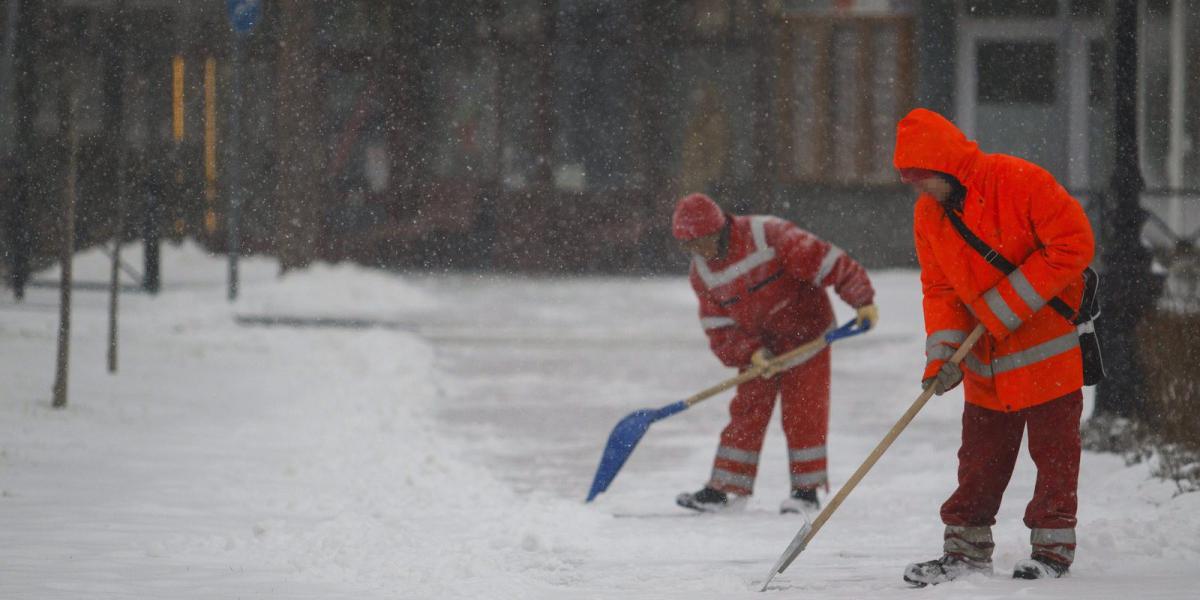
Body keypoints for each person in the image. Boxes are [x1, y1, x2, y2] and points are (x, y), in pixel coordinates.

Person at [892, 108, 1095, 584]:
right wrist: (942, 356)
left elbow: (1073, 243)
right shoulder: (930, 215)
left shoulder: (1018, 180)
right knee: (979, 458)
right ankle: (963, 550)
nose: (919, 190)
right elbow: (940, 289)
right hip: (984, 360)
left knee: (1055, 455)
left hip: (1047, 351)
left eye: (922, 179)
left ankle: (1052, 551)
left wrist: (1001, 309)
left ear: (945, 167)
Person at [671, 193, 878, 515]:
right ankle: (723, 488)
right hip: (761, 346)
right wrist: (750, 353)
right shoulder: (703, 274)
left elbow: (827, 261)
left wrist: (861, 300)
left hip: (806, 333)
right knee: (746, 410)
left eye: (700, 242)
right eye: (688, 246)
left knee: (804, 410)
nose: (696, 251)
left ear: (718, 230)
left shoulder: (767, 234)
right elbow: (718, 326)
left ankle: (805, 492)